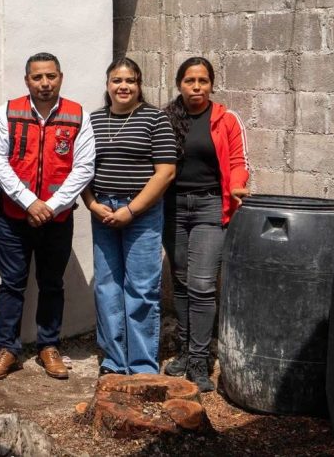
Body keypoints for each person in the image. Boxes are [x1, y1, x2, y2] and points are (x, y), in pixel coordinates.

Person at [0, 53, 95, 381]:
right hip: (14, 217)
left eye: (51, 76)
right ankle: (7, 349)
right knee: (13, 284)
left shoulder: (78, 116)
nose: (45, 83)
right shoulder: (8, 112)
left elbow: (84, 167)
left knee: (51, 284)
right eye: (37, 77)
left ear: (60, 77)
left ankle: (49, 346)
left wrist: (52, 206)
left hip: (57, 220)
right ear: (27, 80)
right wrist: (31, 203)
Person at [82, 57, 176, 375]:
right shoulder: (92, 121)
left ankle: (142, 364)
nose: (123, 86)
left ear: (139, 86)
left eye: (130, 81)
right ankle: (113, 360)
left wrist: (132, 210)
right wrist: (92, 204)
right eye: (117, 80)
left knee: (141, 288)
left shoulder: (155, 119)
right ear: (107, 85)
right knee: (107, 288)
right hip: (103, 211)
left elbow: (165, 173)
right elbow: (82, 170)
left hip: (142, 214)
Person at [161, 56, 250, 392]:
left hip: (211, 206)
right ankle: (184, 351)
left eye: (202, 81)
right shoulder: (167, 118)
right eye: (189, 81)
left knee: (201, 283)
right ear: (179, 84)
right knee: (180, 281)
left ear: (211, 84)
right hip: (173, 207)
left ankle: (199, 360)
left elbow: (238, 159)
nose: (196, 87)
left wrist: (238, 184)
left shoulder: (226, 119)